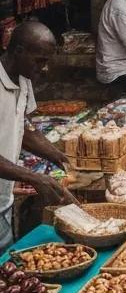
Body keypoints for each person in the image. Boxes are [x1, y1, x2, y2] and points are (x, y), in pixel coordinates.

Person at [1, 22, 77, 249]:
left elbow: (21, 127)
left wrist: (57, 155)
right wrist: (35, 177)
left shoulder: (24, 79)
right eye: (40, 60)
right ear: (18, 51)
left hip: (4, 199)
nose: (44, 68)